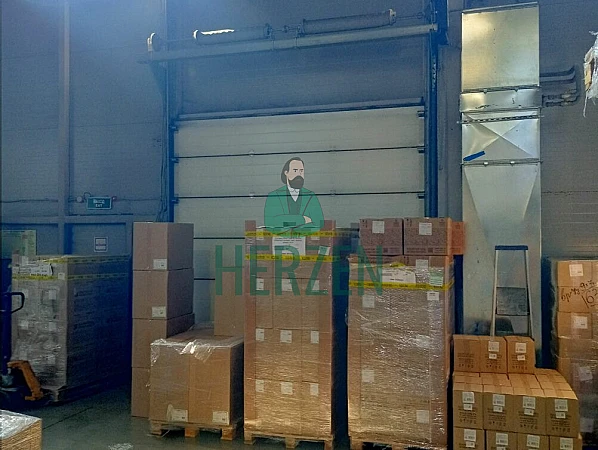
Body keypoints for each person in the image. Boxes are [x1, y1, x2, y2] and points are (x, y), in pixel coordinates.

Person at [264, 157, 324, 232]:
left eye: (301, 171)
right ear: (286, 173)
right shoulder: (274, 196)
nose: (299, 174)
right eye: (295, 170)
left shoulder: (311, 196)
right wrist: (302, 219)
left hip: (305, 238)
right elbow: (271, 223)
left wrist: (286, 223)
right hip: (281, 239)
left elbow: (319, 223)